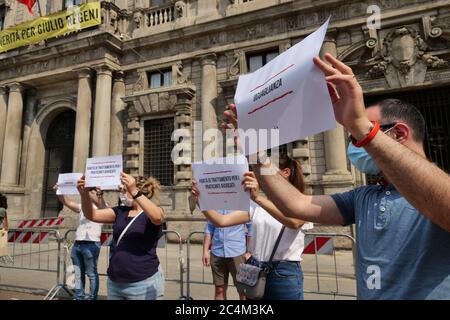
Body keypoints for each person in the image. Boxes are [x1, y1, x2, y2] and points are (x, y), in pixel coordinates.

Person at [223, 53, 450, 299]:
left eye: (366, 130)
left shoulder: (437, 192)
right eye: (354, 136)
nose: (356, 143)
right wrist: (254, 152)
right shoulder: (363, 197)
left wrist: (361, 127)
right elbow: (296, 205)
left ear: (398, 134)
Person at [192, 153, 313, 300]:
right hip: (256, 269)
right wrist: (201, 201)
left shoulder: (301, 203)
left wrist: (257, 198)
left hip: (284, 272)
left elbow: (294, 222)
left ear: (285, 173)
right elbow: (221, 221)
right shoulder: (257, 207)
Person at [77, 172, 165, 300]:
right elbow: (92, 215)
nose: (122, 194)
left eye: (125, 190)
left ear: (136, 191)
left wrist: (134, 190)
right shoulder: (121, 211)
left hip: (142, 282)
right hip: (115, 283)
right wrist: (84, 194)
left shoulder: (152, 212)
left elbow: (157, 217)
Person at [54, 184, 105, 300]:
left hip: (92, 243)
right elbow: (68, 202)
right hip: (78, 243)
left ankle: (92, 298)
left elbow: (101, 204)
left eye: (90, 192)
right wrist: (59, 191)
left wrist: (98, 193)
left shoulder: (102, 207)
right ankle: (79, 296)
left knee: (91, 274)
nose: (88, 194)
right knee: (77, 273)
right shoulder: (83, 206)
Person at [202, 213, 252, 300]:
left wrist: (250, 251)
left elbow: (251, 227)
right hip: (217, 252)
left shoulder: (241, 204)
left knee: (243, 291)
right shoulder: (215, 205)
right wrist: (205, 251)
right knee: (219, 290)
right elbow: (209, 227)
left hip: (237, 253)